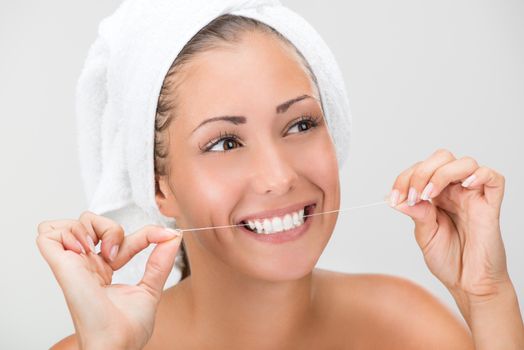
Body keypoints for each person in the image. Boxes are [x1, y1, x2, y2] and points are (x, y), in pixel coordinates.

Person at [36, 11, 523, 350]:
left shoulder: (408, 327)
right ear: (158, 185)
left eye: (300, 125)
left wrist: (487, 297)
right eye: (225, 142)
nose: (278, 177)